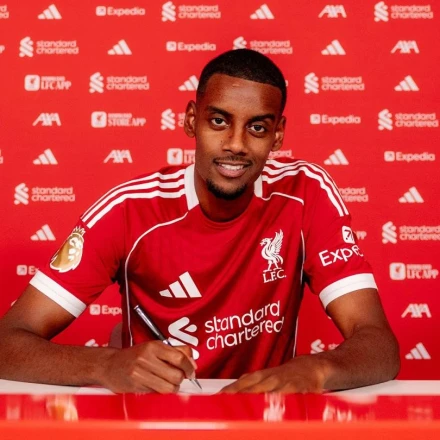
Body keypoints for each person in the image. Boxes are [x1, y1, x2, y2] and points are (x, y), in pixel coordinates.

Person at [0, 49, 399, 393]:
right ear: (191, 120)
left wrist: (316, 371)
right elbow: (7, 343)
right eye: (219, 121)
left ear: (278, 135)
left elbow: (378, 344)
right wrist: (105, 365)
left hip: (264, 420)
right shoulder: (129, 210)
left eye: (257, 128)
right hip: (154, 420)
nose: (236, 144)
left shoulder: (306, 193)